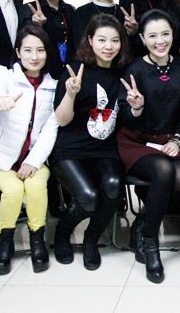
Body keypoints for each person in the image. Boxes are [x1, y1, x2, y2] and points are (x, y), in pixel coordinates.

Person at [116, 10, 180, 284]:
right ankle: (151, 243)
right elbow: (125, 115)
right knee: (163, 170)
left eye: (165, 34)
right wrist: (136, 108)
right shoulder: (134, 69)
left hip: (172, 139)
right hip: (138, 139)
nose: (160, 41)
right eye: (152, 36)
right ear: (143, 39)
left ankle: (144, 220)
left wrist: (177, 139)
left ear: (173, 35)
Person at [50, 14, 128, 271]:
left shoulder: (123, 73)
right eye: (102, 40)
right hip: (69, 150)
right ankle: (62, 233)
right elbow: (62, 120)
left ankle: (91, 238)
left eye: (115, 40)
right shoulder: (74, 72)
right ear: (90, 40)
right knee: (88, 197)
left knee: (114, 186)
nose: (109, 46)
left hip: (104, 149)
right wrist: (71, 94)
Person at [0, 25, 59, 275]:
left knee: (36, 187)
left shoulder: (53, 85)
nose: (34, 56)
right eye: (28, 50)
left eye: (40, 50)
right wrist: (0, 101)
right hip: (1, 160)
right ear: (18, 52)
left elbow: (50, 130)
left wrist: (33, 162)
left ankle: (37, 240)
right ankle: (5, 242)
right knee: (13, 190)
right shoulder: (4, 75)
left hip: (34, 160)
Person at [21, 0, 76, 68]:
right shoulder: (28, 9)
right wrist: (38, 26)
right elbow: (25, 43)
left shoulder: (71, 10)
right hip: (42, 70)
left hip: (69, 70)